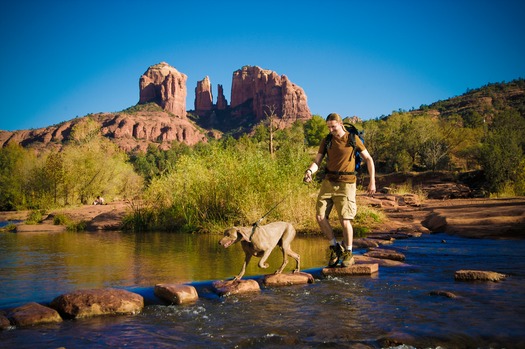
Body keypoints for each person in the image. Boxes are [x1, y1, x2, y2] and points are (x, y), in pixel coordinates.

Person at [303, 113, 376, 267]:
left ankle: (348, 253)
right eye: (328, 127)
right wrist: (309, 172)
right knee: (320, 216)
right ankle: (335, 247)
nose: (330, 130)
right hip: (328, 183)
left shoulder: (352, 139)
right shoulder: (327, 140)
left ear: (340, 124)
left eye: (333, 126)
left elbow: (368, 159)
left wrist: (372, 181)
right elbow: (317, 161)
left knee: (345, 220)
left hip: (347, 184)